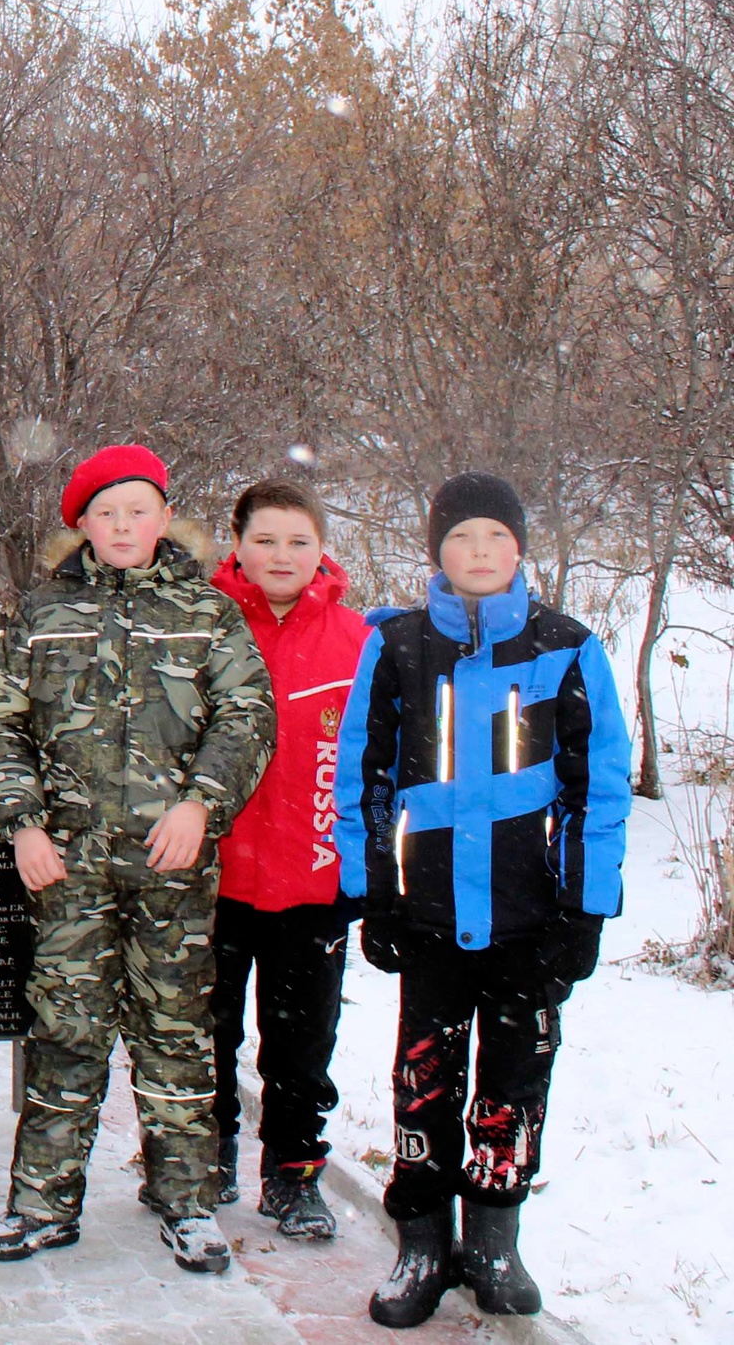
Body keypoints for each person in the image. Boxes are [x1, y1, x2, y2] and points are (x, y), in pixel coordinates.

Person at [0, 444, 275, 1275]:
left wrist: (201, 802)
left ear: (165, 517)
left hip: (173, 867)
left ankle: (185, 1200)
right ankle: (42, 1201)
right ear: (83, 526)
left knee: (175, 1033)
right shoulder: (40, 613)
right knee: (65, 1032)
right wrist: (22, 823)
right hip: (67, 868)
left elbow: (248, 715)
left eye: (139, 509)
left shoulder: (208, 613)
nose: (124, 525)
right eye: (107, 513)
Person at [338, 473, 631, 1327]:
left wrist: (585, 908)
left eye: (494, 539)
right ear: (437, 550)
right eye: (460, 539)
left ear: (519, 548)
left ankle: (494, 1239)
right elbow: (366, 774)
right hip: (427, 916)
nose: (477, 554)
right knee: (423, 1082)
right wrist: (376, 896)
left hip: (530, 918)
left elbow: (598, 786)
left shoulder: (566, 646)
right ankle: (422, 1243)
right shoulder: (397, 647)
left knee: (514, 1082)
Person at [208, 479, 370, 1243]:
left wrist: (369, 864)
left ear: (320, 548)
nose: (281, 555)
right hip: (208, 875)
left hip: (312, 874)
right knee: (203, 1028)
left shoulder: (359, 639)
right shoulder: (201, 623)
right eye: (265, 539)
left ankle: (292, 1172)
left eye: (297, 540)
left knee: (301, 1037)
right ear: (236, 541)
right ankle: (200, 1152)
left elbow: (380, 762)